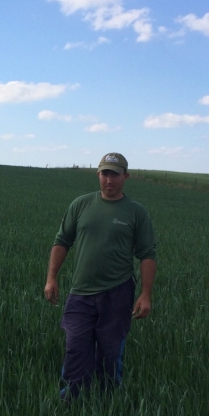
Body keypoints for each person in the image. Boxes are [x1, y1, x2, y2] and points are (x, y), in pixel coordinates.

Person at [44, 152, 157, 397]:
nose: (109, 180)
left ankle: (108, 401)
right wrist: (51, 278)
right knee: (75, 347)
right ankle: (73, 400)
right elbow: (62, 241)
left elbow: (147, 254)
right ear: (98, 174)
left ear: (125, 176)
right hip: (80, 293)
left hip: (118, 293)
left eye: (115, 174)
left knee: (110, 350)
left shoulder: (136, 212)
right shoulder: (81, 204)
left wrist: (146, 294)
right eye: (105, 173)